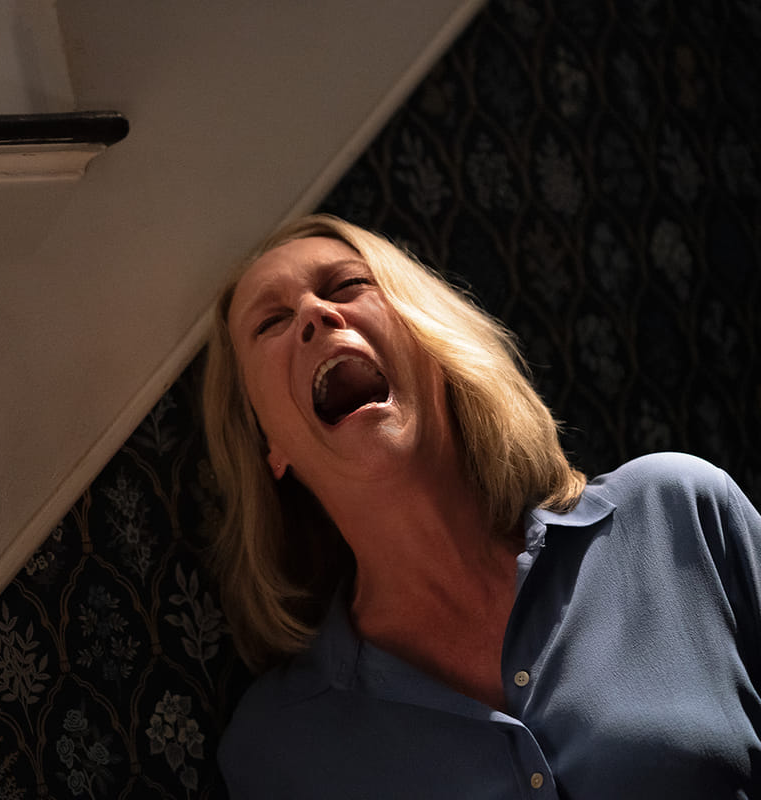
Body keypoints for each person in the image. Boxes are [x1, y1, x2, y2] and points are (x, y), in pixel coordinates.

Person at [203, 214, 761, 798]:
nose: (316, 314)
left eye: (347, 285)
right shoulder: (273, 751)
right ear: (268, 443)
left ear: (430, 338)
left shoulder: (678, 513)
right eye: (271, 321)